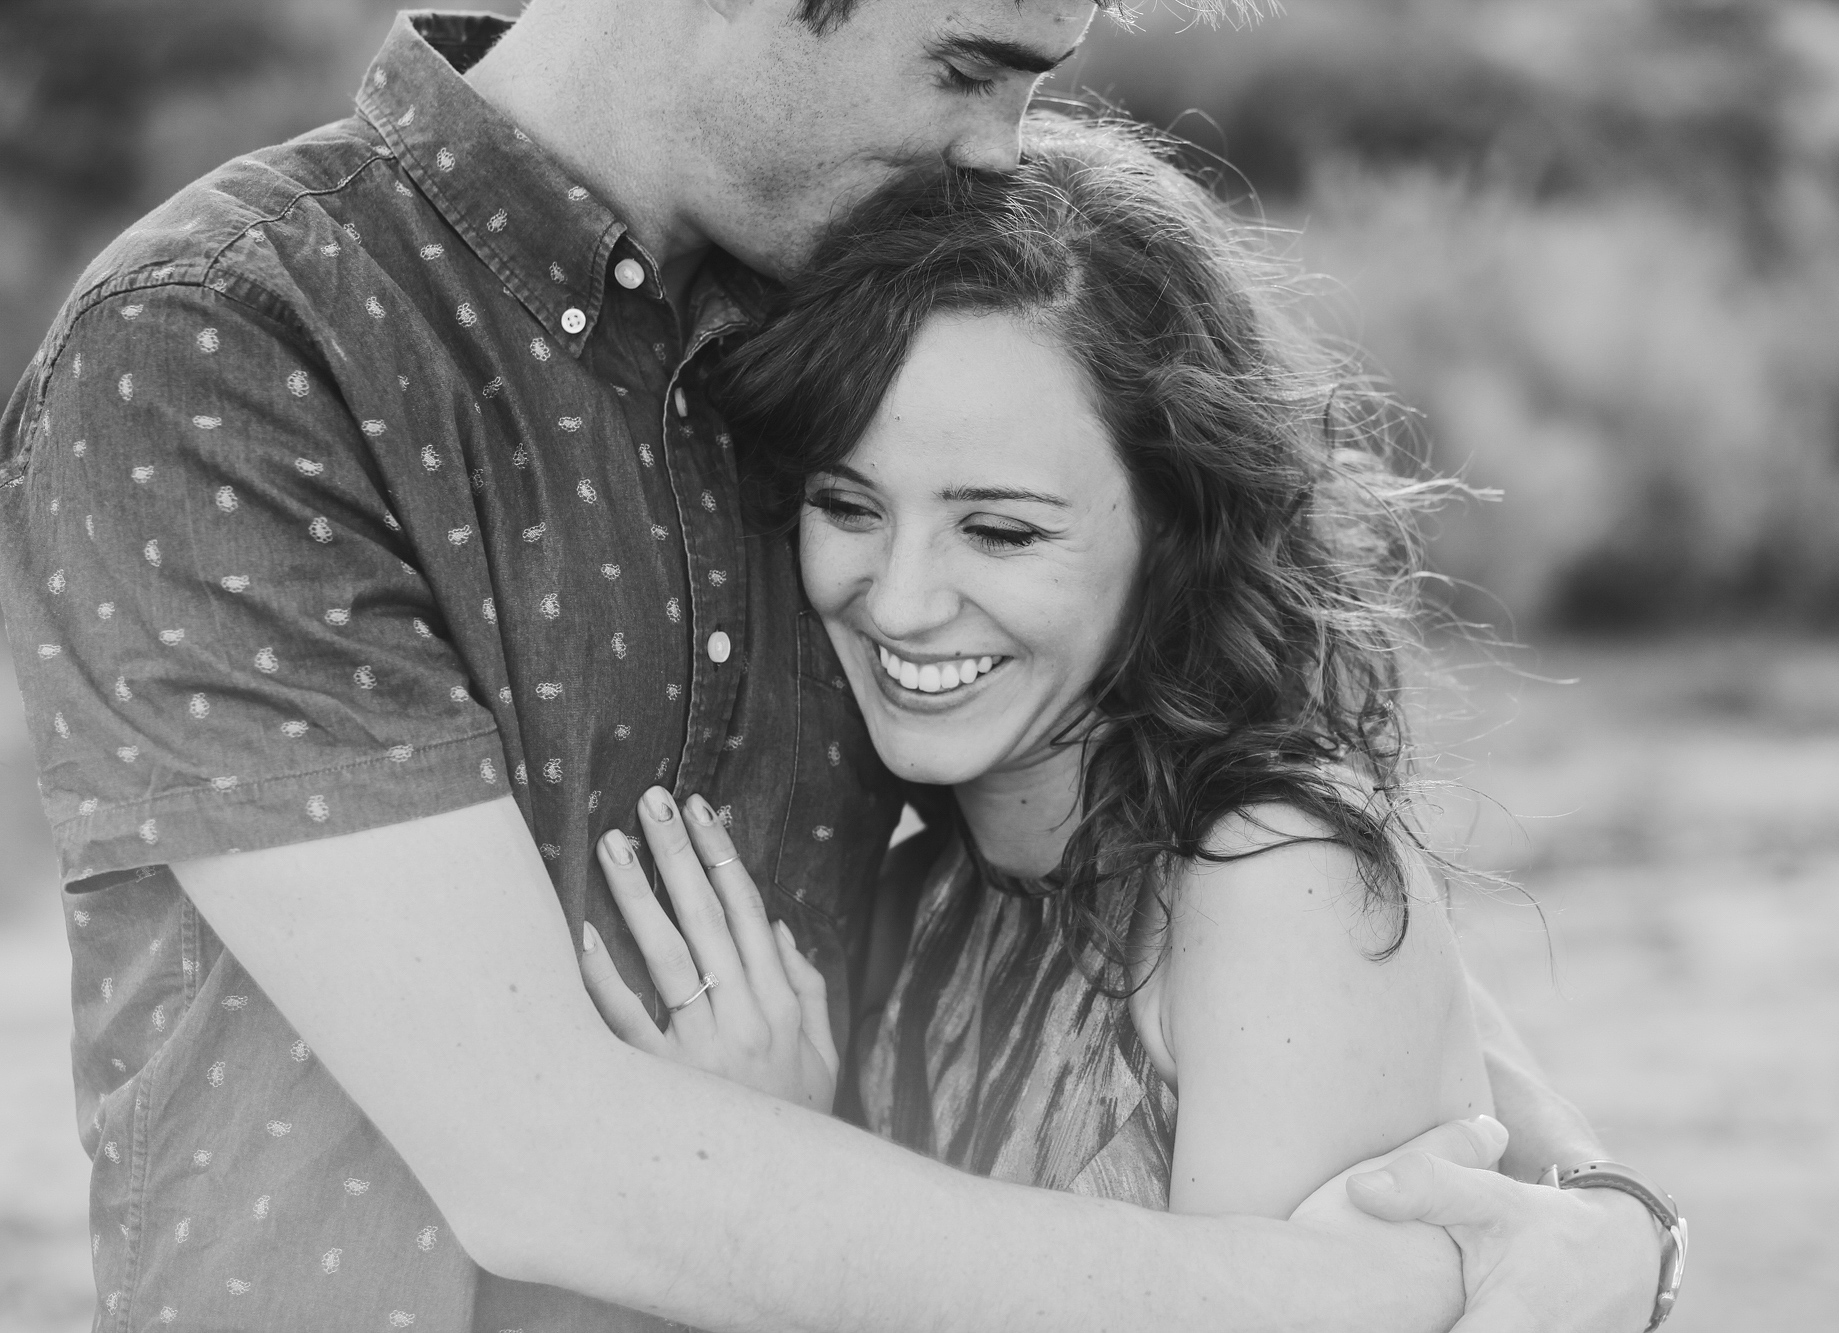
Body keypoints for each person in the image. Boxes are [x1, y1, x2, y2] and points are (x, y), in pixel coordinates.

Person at [0, 5, 1668, 1333]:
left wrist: (1600, 1216)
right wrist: (1357, 1301)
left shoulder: (853, 324)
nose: (1001, 151)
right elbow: (542, 1159)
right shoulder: (232, 337)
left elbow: (1212, 830)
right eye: (972, 67)